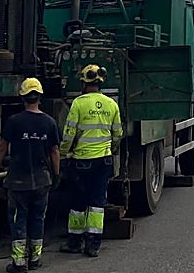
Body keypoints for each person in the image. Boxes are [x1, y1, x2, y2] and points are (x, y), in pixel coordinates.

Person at [0, 77, 61, 273]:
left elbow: (3, 147)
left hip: (18, 181)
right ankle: (35, 260)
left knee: (18, 220)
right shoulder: (49, 122)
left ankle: (19, 264)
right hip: (41, 181)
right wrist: (56, 175)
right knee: (38, 219)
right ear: (39, 97)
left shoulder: (14, 121)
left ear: (22, 98)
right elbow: (54, 151)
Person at [60, 64, 122, 258]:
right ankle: (93, 245)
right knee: (97, 202)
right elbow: (117, 133)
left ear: (83, 83)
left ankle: (74, 243)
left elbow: (69, 133)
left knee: (78, 202)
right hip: (103, 160)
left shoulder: (78, 103)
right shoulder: (111, 104)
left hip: (81, 160)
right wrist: (110, 150)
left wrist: (64, 152)